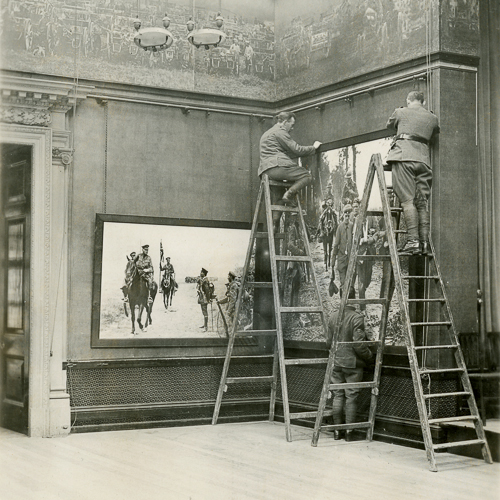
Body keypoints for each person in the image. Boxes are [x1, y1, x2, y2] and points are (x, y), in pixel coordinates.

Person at [386, 90, 440, 255]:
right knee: (422, 203)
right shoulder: (432, 117)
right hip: (424, 161)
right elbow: (435, 132)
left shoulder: (400, 111)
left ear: (409, 100)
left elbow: (389, 126)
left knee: (407, 201)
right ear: (422, 102)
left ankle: (413, 242)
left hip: (404, 157)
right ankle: (424, 244)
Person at [327, 289, 373, 441]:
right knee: (351, 397)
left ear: (341, 298)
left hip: (336, 362)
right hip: (352, 364)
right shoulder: (356, 317)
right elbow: (358, 344)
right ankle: (349, 433)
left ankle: (337, 432)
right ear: (354, 299)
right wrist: (369, 356)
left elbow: (329, 342)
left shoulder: (333, 316)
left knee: (338, 395)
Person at [259, 111, 321, 211]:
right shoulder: (280, 131)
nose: (292, 128)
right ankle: (289, 194)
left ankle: (275, 226)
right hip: (277, 167)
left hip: (265, 171)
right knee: (307, 176)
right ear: (284, 122)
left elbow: (279, 151)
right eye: (292, 125)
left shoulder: (267, 133)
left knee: (279, 198)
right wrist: (313, 148)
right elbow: (297, 149)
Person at [331, 204, 355, 297]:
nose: (347, 216)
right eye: (345, 214)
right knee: (342, 282)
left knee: (351, 283)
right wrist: (333, 262)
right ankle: (343, 305)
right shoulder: (339, 227)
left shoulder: (353, 226)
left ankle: (351, 303)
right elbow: (336, 245)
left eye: (349, 215)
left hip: (350, 259)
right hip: (341, 259)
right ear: (343, 215)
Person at [318, 199, 338, 271]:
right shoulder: (325, 208)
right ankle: (320, 232)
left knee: (335, 219)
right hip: (325, 211)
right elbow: (323, 204)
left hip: (331, 211)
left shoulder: (332, 208)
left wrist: (331, 207)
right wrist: (325, 206)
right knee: (321, 219)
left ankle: (336, 231)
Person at [196, 267, 212, 332]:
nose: (200, 273)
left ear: (204, 274)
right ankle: (205, 325)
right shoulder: (203, 280)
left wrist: (208, 299)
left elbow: (207, 291)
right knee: (203, 311)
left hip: (204, 298)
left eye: (201, 272)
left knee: (205, 312)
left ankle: (206, 327)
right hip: (202, 297)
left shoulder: (205, 281)